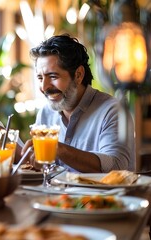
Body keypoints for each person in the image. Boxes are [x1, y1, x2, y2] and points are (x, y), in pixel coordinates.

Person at [21, 34, 135, 173]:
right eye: (40, 77)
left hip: (103, 195)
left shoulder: (112, 111)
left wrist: (58, 148)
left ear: (78, 75)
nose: (44, 87)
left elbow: (116, 166)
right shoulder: (46, 113)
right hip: (56, 194)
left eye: (53, 76)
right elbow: (41, 169)